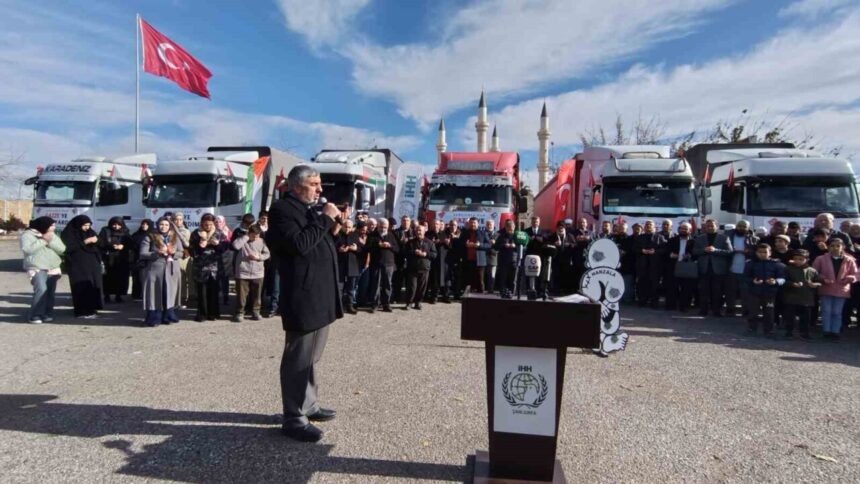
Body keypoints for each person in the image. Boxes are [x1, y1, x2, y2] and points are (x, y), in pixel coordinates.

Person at [265, 165, 345, 443]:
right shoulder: (282, 210)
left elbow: (318, 241)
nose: (320, 189)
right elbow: (299, 245)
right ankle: (294, 417)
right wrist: (325, 219)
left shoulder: (309, 210)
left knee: (311, 357)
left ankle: (308, 405)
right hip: (303, 296)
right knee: (298, 358)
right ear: (297, 186)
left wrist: (334, 226)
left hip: (319, 295)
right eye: (314, 184)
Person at [140, 217, 183, 326]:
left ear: (170, 226)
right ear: (157, 225)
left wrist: (173, 253)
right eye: (161, 224)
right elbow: (143, 253)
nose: (164, 227)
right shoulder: (150, 237)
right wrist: (157, 253)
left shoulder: (175, 237)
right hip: (155, 269)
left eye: (166, 225)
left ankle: (168, 315)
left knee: (169, 292)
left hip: (171, 269)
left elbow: (181, 253)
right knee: (154, 293)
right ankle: (154, 318)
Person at [21, 216, 65, 324]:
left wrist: (50, 241)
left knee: (50, 291)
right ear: (44, 225)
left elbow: (62, 249)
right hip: (37, 266)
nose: (54, 227)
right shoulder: (28, 235)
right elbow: (27, 249)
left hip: (52, 266)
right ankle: (35, 315)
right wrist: (43, 240)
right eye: (52, 225)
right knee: (41, 289)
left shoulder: (52, 234)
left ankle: (47, 313)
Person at [812, 238, 857, 340]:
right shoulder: (820, 259)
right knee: (826, 311)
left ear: (843, 247)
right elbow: (814, 272)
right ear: (828, 247)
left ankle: (835, 332)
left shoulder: (849, 260)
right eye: (832, 246)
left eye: (838, 246)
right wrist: (822, 278)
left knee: (837, 312)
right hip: (826, 288)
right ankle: (826, 331)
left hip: (842, 289)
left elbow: (855, 274)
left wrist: (850, 278)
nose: (835, 248)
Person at [61, 215, 103, 319]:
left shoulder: (90, 232)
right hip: (77, 265)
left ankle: (91, 309)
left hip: (92, 264)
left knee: (92, 285)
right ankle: (81, 311)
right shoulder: (68, 233)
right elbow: (68, 248)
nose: (87, 228)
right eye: (84, 225)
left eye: (89, 225)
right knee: (80, 287)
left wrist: (97, 240)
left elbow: (100, 243)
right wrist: (85, 242)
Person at [191, 214, 229, 321]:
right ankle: (202, 314)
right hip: (200, 268)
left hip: (215, 268)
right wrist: (200, 246)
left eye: (210, 224)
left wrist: (217, 245)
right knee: (201, 292)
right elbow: (192, 250)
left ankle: (213, 313)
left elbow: (224, 248)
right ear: (202, 223)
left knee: (214, 292)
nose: (208, 226)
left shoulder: (219, 233)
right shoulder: (196, 233)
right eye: (205, 224)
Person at [692, 219, 733, 317]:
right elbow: (694, 251)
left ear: (716, 226)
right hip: (704, 268)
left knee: (717, 291)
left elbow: (730, 252)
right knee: (703, 291)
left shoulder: (724, 238)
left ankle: (716, 311)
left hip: (718, 269)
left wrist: (715, 250)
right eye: (708, 226)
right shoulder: (699, 238)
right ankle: (703, 310)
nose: (710, 227)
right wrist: (704, 250)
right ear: (705, 227)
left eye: (712, 226)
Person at [744, 243, 785, 336]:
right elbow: (745, 277)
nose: (762, 254)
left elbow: (783, 278)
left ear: (770, 253)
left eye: (765, 252)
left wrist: (775, 281)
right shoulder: (750, 264)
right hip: (754, 292)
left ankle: (769, 330)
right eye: (760, 252)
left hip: (770, 293)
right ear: (756, 253)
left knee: (769, 312)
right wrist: (753, 281)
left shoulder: (777, 265)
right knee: (753, 311)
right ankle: (751, 328)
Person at [231, 224, 270, 322]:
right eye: (253, 235)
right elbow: (235, 246)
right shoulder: (242, 239)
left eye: (258, 235)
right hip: (243, 271)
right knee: (241, 295)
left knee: (257, 294)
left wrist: (259, 257)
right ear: (249, 233)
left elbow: (267, 254)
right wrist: (246, 237)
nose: (256, 238)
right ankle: (240, 312)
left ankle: (256, 311)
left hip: (258, 272)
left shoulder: (261, 241)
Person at [782, 249, 820, 339]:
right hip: (791, 297)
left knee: (805, 318)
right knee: (790, 317)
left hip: (806, 298)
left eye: (801, 259)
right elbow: (783, 281)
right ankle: (789, 332)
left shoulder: (812, 270)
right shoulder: (788, 269)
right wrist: (792, 284)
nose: (798, 261)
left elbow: (818, 281)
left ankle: (804, 333)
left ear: (807, 259)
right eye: (796, 259)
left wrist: (814, 284)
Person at [725, 220, 758, 317]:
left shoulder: (754, 239)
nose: (741, 228)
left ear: (748, 228)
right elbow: (723, 250)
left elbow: (757, 253)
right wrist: (731, 251)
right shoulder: (728, 237)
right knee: (730, 291)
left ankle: (746, 311)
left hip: (745, 270)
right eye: (739, 226)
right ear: (736, 226)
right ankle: (730, 309)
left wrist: (749, 252)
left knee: (745, 292)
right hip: (731, 268)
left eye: (744, 226)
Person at [98, 216, 133, 303]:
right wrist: (110, 246)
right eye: (114, 224)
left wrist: (123, 246)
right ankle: (107, 295)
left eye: (118, 225)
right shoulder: (105, 231)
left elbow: (131, 244)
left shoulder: (125, 231)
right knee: (107, 278)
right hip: (108, 258)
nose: (116, 227)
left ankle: (119, 295)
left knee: (120, 278)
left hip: (121, 259)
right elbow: (100, 243)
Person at [369, 218, 399, 312]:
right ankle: (375, 304)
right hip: (376, 263)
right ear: (378, 226)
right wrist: (378, 245)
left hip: (389, 264)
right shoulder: (372, 235)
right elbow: (368, 248)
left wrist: (390, 246)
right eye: (381, 227)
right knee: (375, 284)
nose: (383, 229)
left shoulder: (391, 235)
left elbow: (397, 249)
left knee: (387, 284)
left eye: (385, 227)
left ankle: (386, 304)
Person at [634, 220, 666, 308]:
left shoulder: (660, 237)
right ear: (644, 227)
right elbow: (634, 249)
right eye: (647, 225)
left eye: (650, 225)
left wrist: (655, 251)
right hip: (642, 266)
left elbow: (664, 249)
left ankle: (654, 302)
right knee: (642, 284)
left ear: (654, 227)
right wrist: (642, 251)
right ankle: (642, 301)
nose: (648, 226)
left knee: (655, 285)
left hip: (655, 266)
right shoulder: (639, 237)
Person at [404, 223, 436, 310]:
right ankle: (409, 303)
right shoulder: (410, 242)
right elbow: (405, 253)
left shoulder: (430, 242)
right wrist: (414, 252)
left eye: (420, 230)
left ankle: (418, 302)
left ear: (424, 231)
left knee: (422, 287)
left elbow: (434, 254)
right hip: (412, 268)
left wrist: (426, 254)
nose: (418, 232)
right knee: (412, 287)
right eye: (417, 230)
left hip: (424, 268)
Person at [335, 219, 362, 314]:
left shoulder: (355, 235)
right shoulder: (337, 235)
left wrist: (356, 248)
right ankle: (339, 306)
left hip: (352, 265)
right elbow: (332, 247)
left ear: (352, 228)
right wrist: (339, 250)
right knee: (340, 287)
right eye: (346, 227)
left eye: (349, 227)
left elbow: (361, 249)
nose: (347, 229)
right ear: (342, 227)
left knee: (351, 288)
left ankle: (350, 305)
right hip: (341, 265)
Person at [666, 222, 694, 311]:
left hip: (687, 267)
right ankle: (671, 306)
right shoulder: (672, 240)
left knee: (686, 288)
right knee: (672, 287)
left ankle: (684, 306)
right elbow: (666, 252)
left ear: (690, 230)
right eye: (682, 228)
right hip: (674, 266)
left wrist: (690, 256)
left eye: (685, 229)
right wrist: (670, 255)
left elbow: (696, 253)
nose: (683, 230)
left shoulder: (694, 241)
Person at [259, 211, 279, 318]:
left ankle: (274, 307)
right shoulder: (267, 232)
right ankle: (266, 306)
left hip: (278, 261)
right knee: (267, 284)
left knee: (276, 285)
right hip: (266, 261)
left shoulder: (278, 230)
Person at [171, 212, 193, 309]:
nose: (178, 221)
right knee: (180, 280)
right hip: (176, 257)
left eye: (180, 219)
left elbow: (185, 242)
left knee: (190, 279)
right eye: (176, 219)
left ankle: (192, 298)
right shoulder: (170, 231)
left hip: (186, 256)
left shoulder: (185, 231)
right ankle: (181, 299)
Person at [494, 219, 520, 298]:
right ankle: (503, 293)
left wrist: (515, 246)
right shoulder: (501, 236)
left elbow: (524, 247)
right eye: (509, 229)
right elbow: (495, 247)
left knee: (513, 279)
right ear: (506, 228)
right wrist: (504, 245)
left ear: (514, 227)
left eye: (512, 229)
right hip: (503, 261)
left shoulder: (518, 236)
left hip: (514, 261)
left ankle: (512, 293)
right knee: (503, 278)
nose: (511, 231)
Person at [612, 222, 636, 304]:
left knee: (627, 284)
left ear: (626, 229)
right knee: (615, 283)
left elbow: (633, 250)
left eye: (623, 228)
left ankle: (627, 300)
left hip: (627, 265)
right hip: (614, 265)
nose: (621, 229)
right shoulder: (613, 238)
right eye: (620, 228)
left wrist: (625, 252)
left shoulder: (631, 239)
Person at [548, 221, 575, 295]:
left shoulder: (569, 236)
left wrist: (569, 245)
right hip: (556, 260)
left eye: (562, 228)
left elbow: (575, 245)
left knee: (565, 275)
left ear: (564, 228)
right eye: (559, 228)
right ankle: (556, 291)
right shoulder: (552, 236)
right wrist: (554, 244)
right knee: (556, 275)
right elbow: (548, 245)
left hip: (566, 260)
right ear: (557, 228)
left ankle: (565, 291)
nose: (561, 229)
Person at [392, 215, 412, 304]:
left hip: (411, 260)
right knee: (397, 280)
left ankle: (407, 299)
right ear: (401, 222)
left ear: (410, 222)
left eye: (407, 220)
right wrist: (401, 242)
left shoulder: (414, 232)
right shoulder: (396, 232)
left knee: (409, 281)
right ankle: (396, 297)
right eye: (404, 220)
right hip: (398, 260)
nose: (405, 222)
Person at [130, 219, 152, 300]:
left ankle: (146, 295)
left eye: (147, 224)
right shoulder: (136, 235)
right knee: (137, 278)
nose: (144, 226)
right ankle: (136, 295)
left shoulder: (152, 235)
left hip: (148, 259)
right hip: (137, 258)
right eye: (143, 224)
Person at [214, 215, 233, 306]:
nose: (218, 223)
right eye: (216, 222)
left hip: (226, 258)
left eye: (220, 222)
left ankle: (226, 298)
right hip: (214, 258)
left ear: (224, 222)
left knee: (225, 279)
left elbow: (231, 245)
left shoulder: (228, 232)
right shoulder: (212, 232)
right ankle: (216, 297)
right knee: (215, 278)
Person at [484, 219, 498, 294]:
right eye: (488, 224)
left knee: (492, 275)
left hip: (493, 257)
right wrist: (490, 243)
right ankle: (483, 290)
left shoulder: (498, 234)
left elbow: (499, 245)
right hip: (484, 256)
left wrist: (495, 243)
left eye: (490, 224)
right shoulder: (483, 233)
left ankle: (491, 290)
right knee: (484, 275)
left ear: (493, 225)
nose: (489, 226)